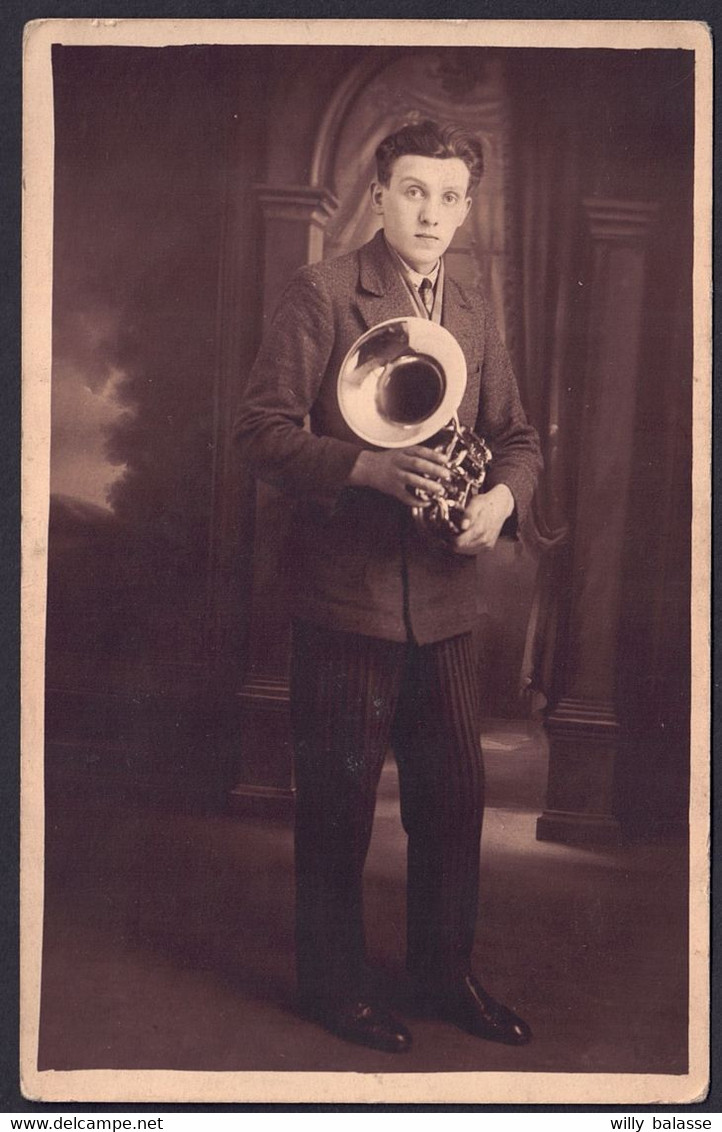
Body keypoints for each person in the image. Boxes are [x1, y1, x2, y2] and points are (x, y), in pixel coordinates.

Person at [234, 119, 542, 1055]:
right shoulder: (323, 292)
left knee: (452, 804)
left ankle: (442, 976)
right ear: (379, 195)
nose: (433, 213)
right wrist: (365, 470)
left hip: (448, 603)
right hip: (345, 601)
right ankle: (335, 988)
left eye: (451, 197)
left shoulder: (477, 303)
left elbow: (521, 438)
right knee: (338, 804)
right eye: (415, 191)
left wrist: (498, 503)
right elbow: (257, 433)